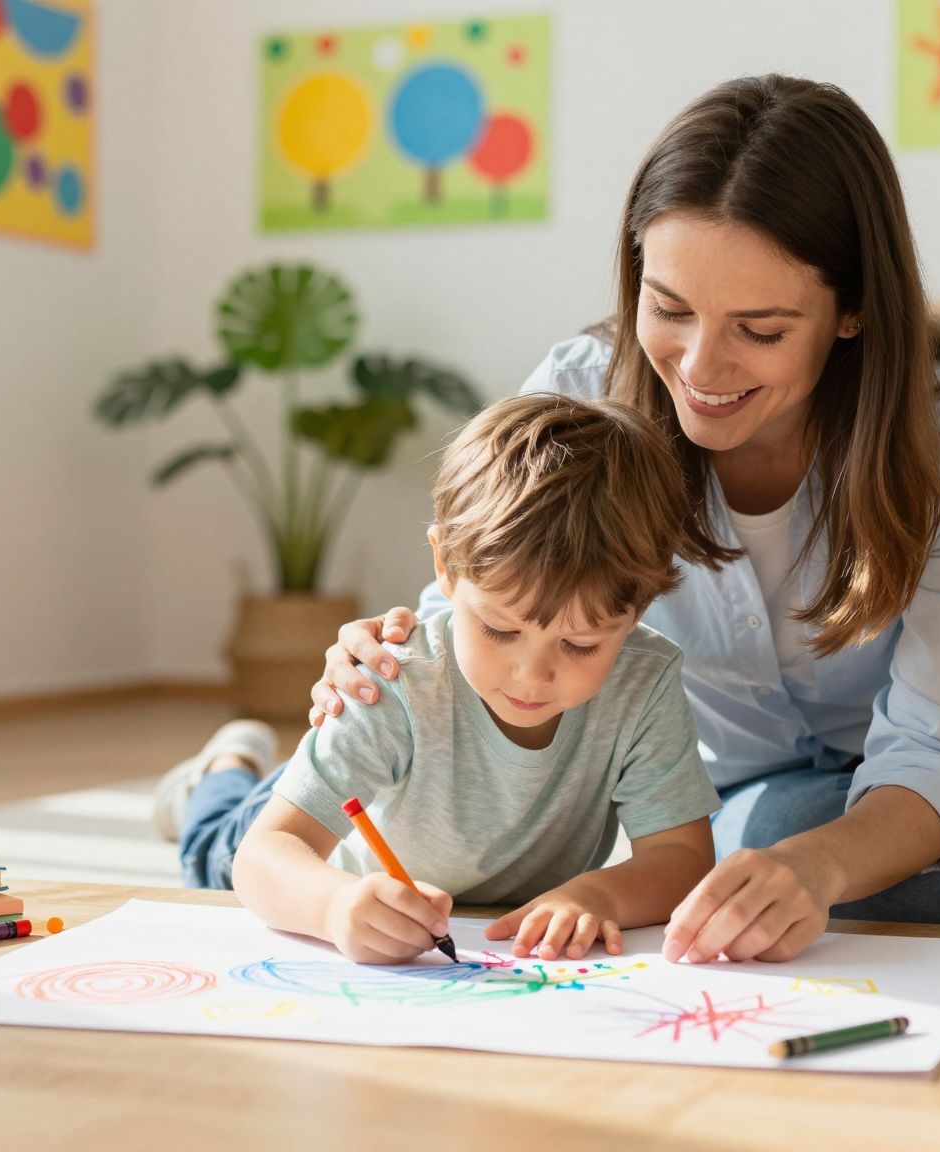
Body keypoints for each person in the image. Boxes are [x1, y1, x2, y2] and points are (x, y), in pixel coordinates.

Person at [303, 74, 940, 964]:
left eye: (759, 331)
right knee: (796, 891)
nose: (698, 368)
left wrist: (833, 861)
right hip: (754, 769)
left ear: (849, 309)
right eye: (668, 307)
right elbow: (495, 600)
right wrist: (391, 653)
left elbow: (939, 730)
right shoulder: (579, 395)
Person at [153, 393, 722, 964]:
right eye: (500, 630)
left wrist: (600, 892)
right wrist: (334, 907)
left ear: (640, 606)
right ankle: (222, 769)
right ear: (445, 568)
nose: (534, 674)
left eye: (581, 644)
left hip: (381, 785)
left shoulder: (644, 681)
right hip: (319, 857)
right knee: (214, 851)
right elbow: (265, 854)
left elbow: (682, 855)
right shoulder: (395, 679)